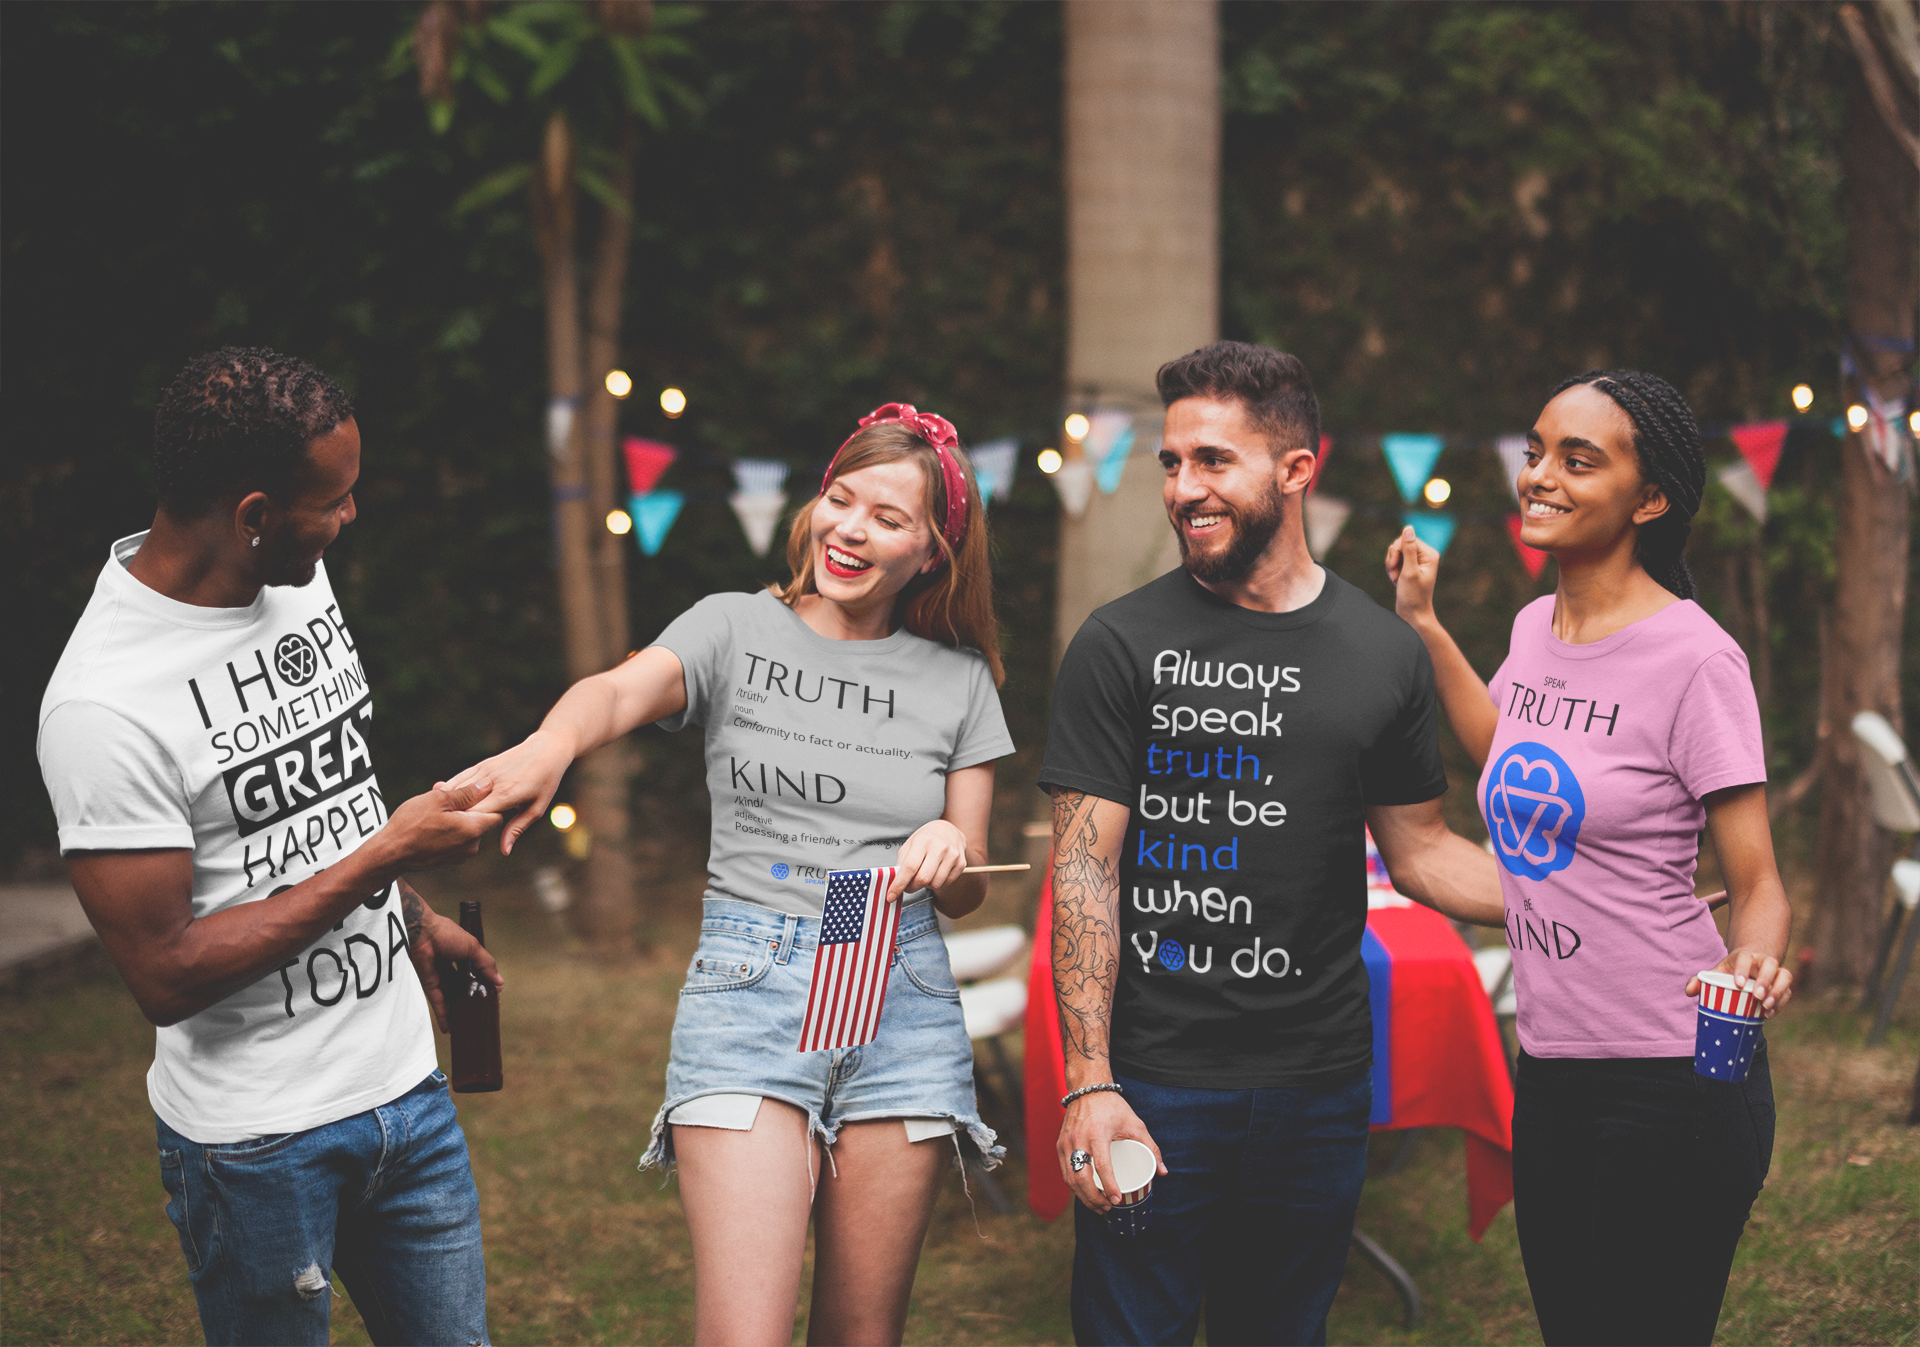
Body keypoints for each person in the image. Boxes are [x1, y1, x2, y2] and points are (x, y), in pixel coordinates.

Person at [446, 403, 1014, 1347]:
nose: (851, 528)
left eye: (889, 517)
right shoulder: (734, 627)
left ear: (932, 554)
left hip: (901, 991)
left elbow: (967, 877)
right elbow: (618, 689)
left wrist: (949, 856)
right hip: (750, 985)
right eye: (841, 498)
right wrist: (554, 743)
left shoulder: (960, 681)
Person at [1038, 340, 1506, 1347]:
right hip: (1153, 1081)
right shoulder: (1118, 644)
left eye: (1212, 460)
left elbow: (1423, 851)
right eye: (1171, 462)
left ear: (1297, 470)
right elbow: (1083, 867)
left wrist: (1591, 901)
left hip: (1321, 1084)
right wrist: (1089, 1079)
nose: (1182, 488)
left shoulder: (1383, 652)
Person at [36, 348, 506, 1347]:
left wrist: (413, 916)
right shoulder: (104, 707)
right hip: (258, 1145)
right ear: (252, 514)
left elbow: (310, 813)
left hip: (406, 1091)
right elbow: (164, 974)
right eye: (332, 501)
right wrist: (386, 859)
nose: (347, 519)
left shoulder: (297, 577)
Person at [1384, 368, 1792, 1346]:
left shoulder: (1696, 661)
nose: (1539, 476)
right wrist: (1425, 630)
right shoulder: (1535, 628)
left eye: (1579, 459)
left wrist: (1756, 959)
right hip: (1554, 1066)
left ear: (1650, 500)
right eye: (1534, 452)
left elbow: (1759, 885)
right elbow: (1518, 757)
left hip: (1673, 1071)